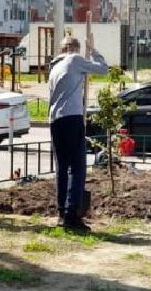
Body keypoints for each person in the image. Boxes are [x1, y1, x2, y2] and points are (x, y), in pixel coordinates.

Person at [46, 35, 108, 233]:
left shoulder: (54, 66)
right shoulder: (74, 60)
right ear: (75, 49)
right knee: (77, 167)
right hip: (72, 118)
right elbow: (103, 69)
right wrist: (93, 50)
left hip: (55, 120)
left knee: (62, 167)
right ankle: (72, 215)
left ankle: (62, 213)